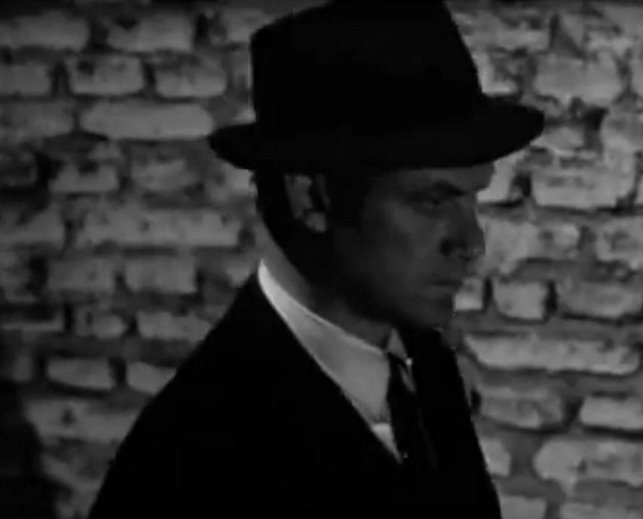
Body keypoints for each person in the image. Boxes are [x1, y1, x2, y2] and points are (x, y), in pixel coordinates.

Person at [87, 1, 544, 518]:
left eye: (472, 198)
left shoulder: (424, 373)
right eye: (432, 202)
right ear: (311, 199)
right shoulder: (193, 459)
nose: (471, 242)